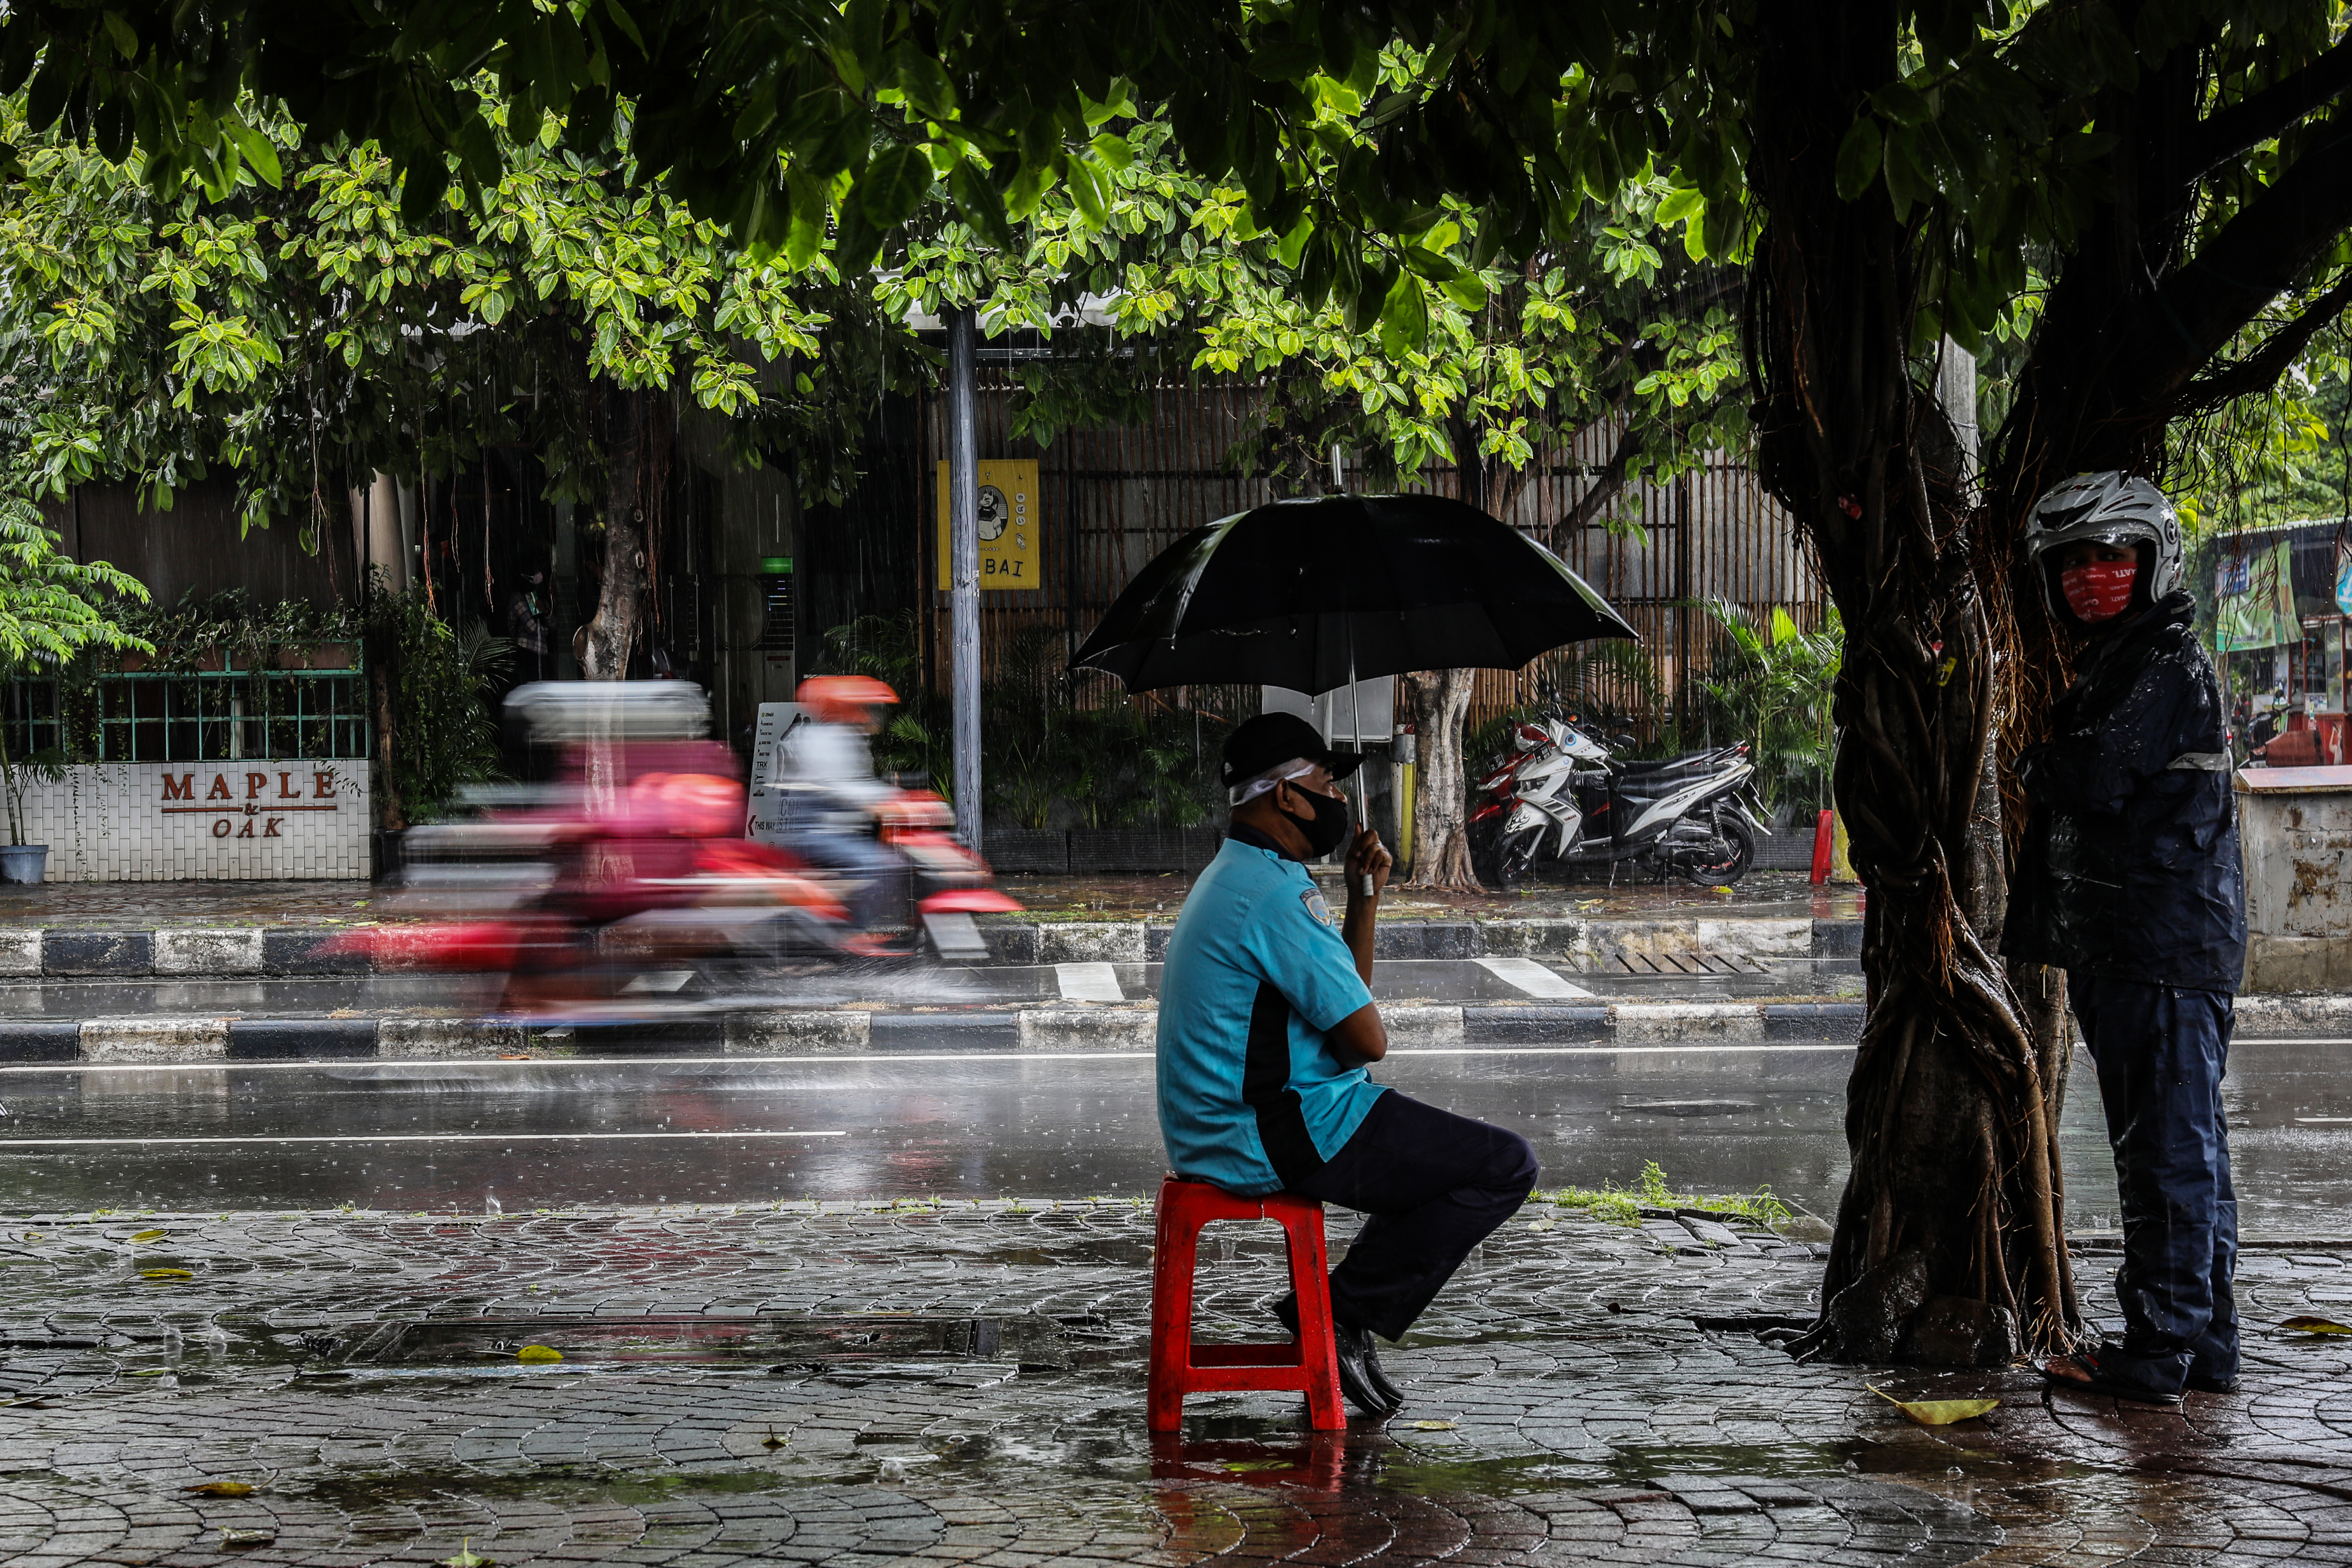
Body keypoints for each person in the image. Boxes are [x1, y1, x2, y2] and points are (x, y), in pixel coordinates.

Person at [1156, 711, 1539, 1418]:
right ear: (1284, 796)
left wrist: (1363, 899)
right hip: (1269, 1132)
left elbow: (1342, 1014)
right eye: (1326, 783)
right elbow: (1365, 1040)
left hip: (1233, 1123)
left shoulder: (1244, 874)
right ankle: (1333, 1313)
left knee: (1437, 1164)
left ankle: (1340, 1312)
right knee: (1502, 1165)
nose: (1337, 799)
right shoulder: (1272, 895)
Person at [2005, 471, 2246, 1405]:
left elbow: (2095, 775)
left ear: (2150, 562)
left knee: (2167, 1156)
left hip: (2162, 952)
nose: (2089, 578)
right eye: (2071, 562)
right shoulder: (2125, 663)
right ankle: (2206, 1342)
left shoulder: (2164, 664)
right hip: (2139, 946)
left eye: (2110, 557)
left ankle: (2155, 1351)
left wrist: (2034, 758)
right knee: (2184, 1149)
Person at [776, 675, 907, 955]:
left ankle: (852, 926)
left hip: (837, 831)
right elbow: (840, 787)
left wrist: (895, 799)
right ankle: (853, 933)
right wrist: (892, 801)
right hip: (816, 834)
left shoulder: (846, 737)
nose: (869, 714)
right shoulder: (822, 740)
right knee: (881, 863)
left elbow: (858, 786)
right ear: (842, 707)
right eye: (863, 707)